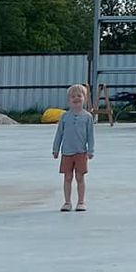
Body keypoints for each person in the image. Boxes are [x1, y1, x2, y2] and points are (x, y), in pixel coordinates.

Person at [52, 83, 95, 212]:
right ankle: (67, 202)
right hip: (67, 153)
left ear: (85, 99)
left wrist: (90, 150)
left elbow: (90, 135)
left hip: (81, 153)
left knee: (80, 177)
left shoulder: (88, 117)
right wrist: (55, 149)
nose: (76, 98)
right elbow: (59, 134)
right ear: (68, 100)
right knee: (67, 177)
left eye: (79, 95)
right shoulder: (64, 117)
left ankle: (81, 202)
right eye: (72, 96)